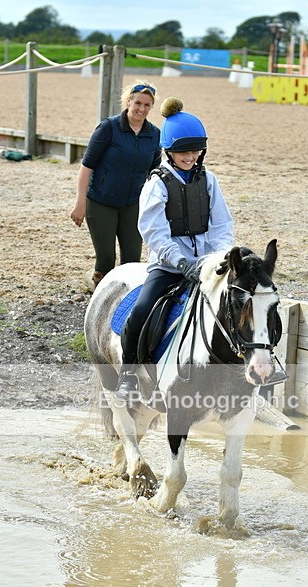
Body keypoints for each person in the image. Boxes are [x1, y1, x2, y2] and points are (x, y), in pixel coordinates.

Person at [115, 96, 234, 400]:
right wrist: (182, 263)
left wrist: (217, 257)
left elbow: (221, 225)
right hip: (169, 267)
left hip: (207, 265)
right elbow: (154, 233)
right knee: (140, 311)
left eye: (195, 150)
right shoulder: (156, 184)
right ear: (169, 150)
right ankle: (128, 374)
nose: (190, 156)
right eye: (183, 151)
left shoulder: (209, 180)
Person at [70, 82, 161, 288]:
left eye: (147, 105)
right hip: (101, 202)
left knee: (132, 262)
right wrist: (80, 203)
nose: (141, 109)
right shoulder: (108, 128)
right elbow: (86, 166)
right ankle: (96, 288)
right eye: (137, 103)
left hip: (133, 204)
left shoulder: (155, 134)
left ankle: (123, 301)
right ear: (128, 101)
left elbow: (155, 174)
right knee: (106, 260)